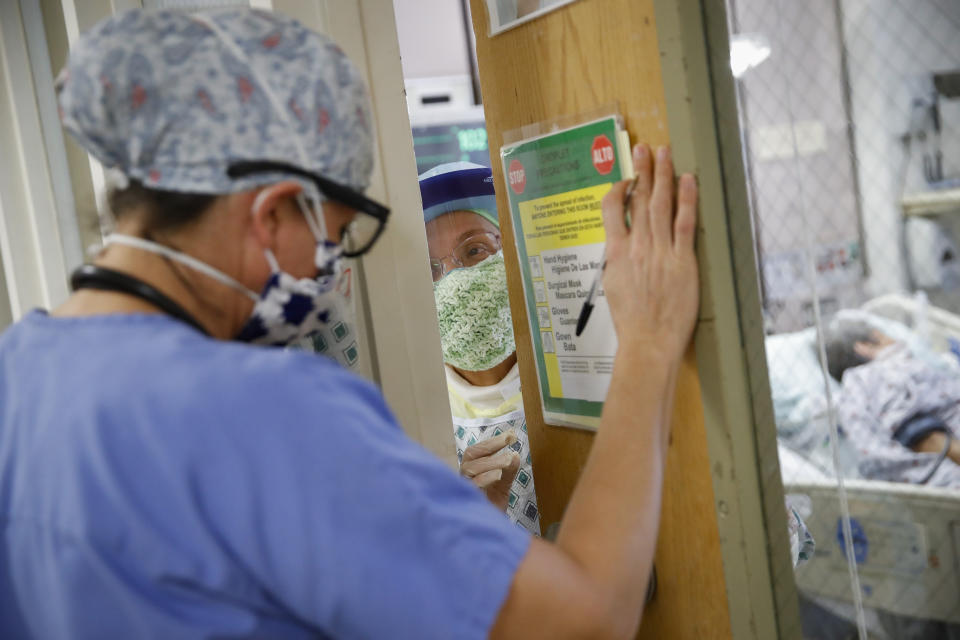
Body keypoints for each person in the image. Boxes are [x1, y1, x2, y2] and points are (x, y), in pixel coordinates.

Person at [0, 8, 700, 639]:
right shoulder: (268, 411)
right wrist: (647, 337)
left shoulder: (19, 374)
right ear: (272, 212)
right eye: (333, 233)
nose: (331, 271)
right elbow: (586, 620)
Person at [419, 162, 539, 535]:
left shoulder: (565, 373)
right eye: (432, 269)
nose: (454, 281)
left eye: (474, 251)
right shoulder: (414, 414)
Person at [825, 318, 960, 487]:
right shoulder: (876, 375)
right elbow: (920, 434)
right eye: (883, 334)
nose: (895, 338)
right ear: (864, 347)